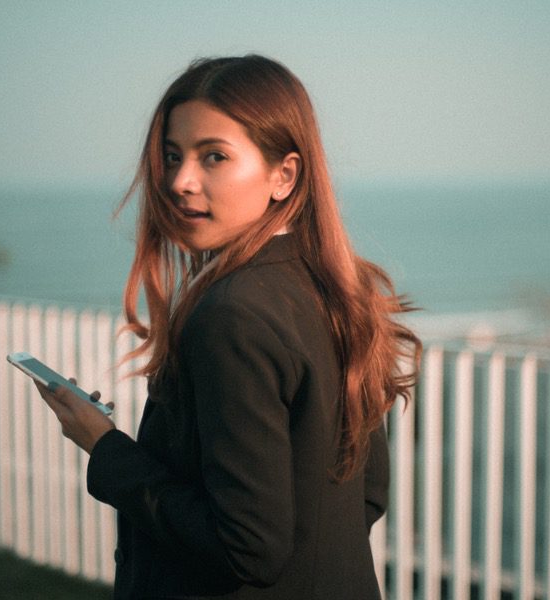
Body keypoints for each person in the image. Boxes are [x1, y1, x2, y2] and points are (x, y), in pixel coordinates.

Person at [36, 54, 421, 599]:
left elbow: (248, 547)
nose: (179, 181)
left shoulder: (232, 316)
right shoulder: (333, 290)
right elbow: (367, 494)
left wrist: (106, 450)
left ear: (283, 175)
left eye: (213, 156)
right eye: (172, 156)